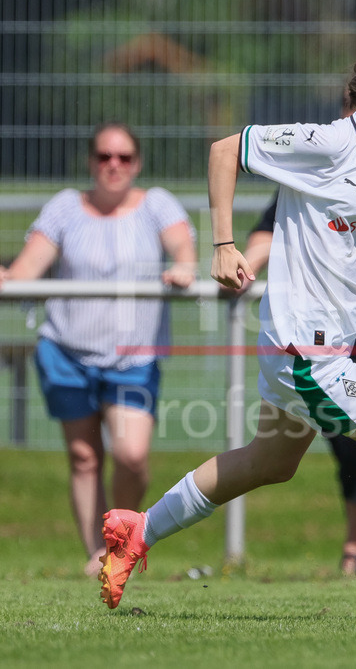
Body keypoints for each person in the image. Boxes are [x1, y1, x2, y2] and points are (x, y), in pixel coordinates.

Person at [97, 36, 356, 621]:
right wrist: (224, 243)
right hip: (305, 351)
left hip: (322, 350)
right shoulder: (328, 142)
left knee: (269, 461)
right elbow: (225, 150)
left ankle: (139, 530)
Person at [0, 121, 197, 577]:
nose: (114, 165)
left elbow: (183, 249)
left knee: (131, 455)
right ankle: (96, 552)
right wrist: (10, 279)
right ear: (91, 162)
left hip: (133, 357)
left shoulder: (155, 205)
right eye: (105, 157)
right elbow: (30, 266)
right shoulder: (66, 207)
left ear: (137, 163)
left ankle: (121, 540)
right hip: (66, 350)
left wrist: (184, 268)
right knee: (84, 457)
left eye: (124, 157)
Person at [239, 191, 356, 583]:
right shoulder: (315, 170)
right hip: (320, 342)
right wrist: (244, 263)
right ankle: (144, 529)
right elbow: (268, 231)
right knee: (270, 461)